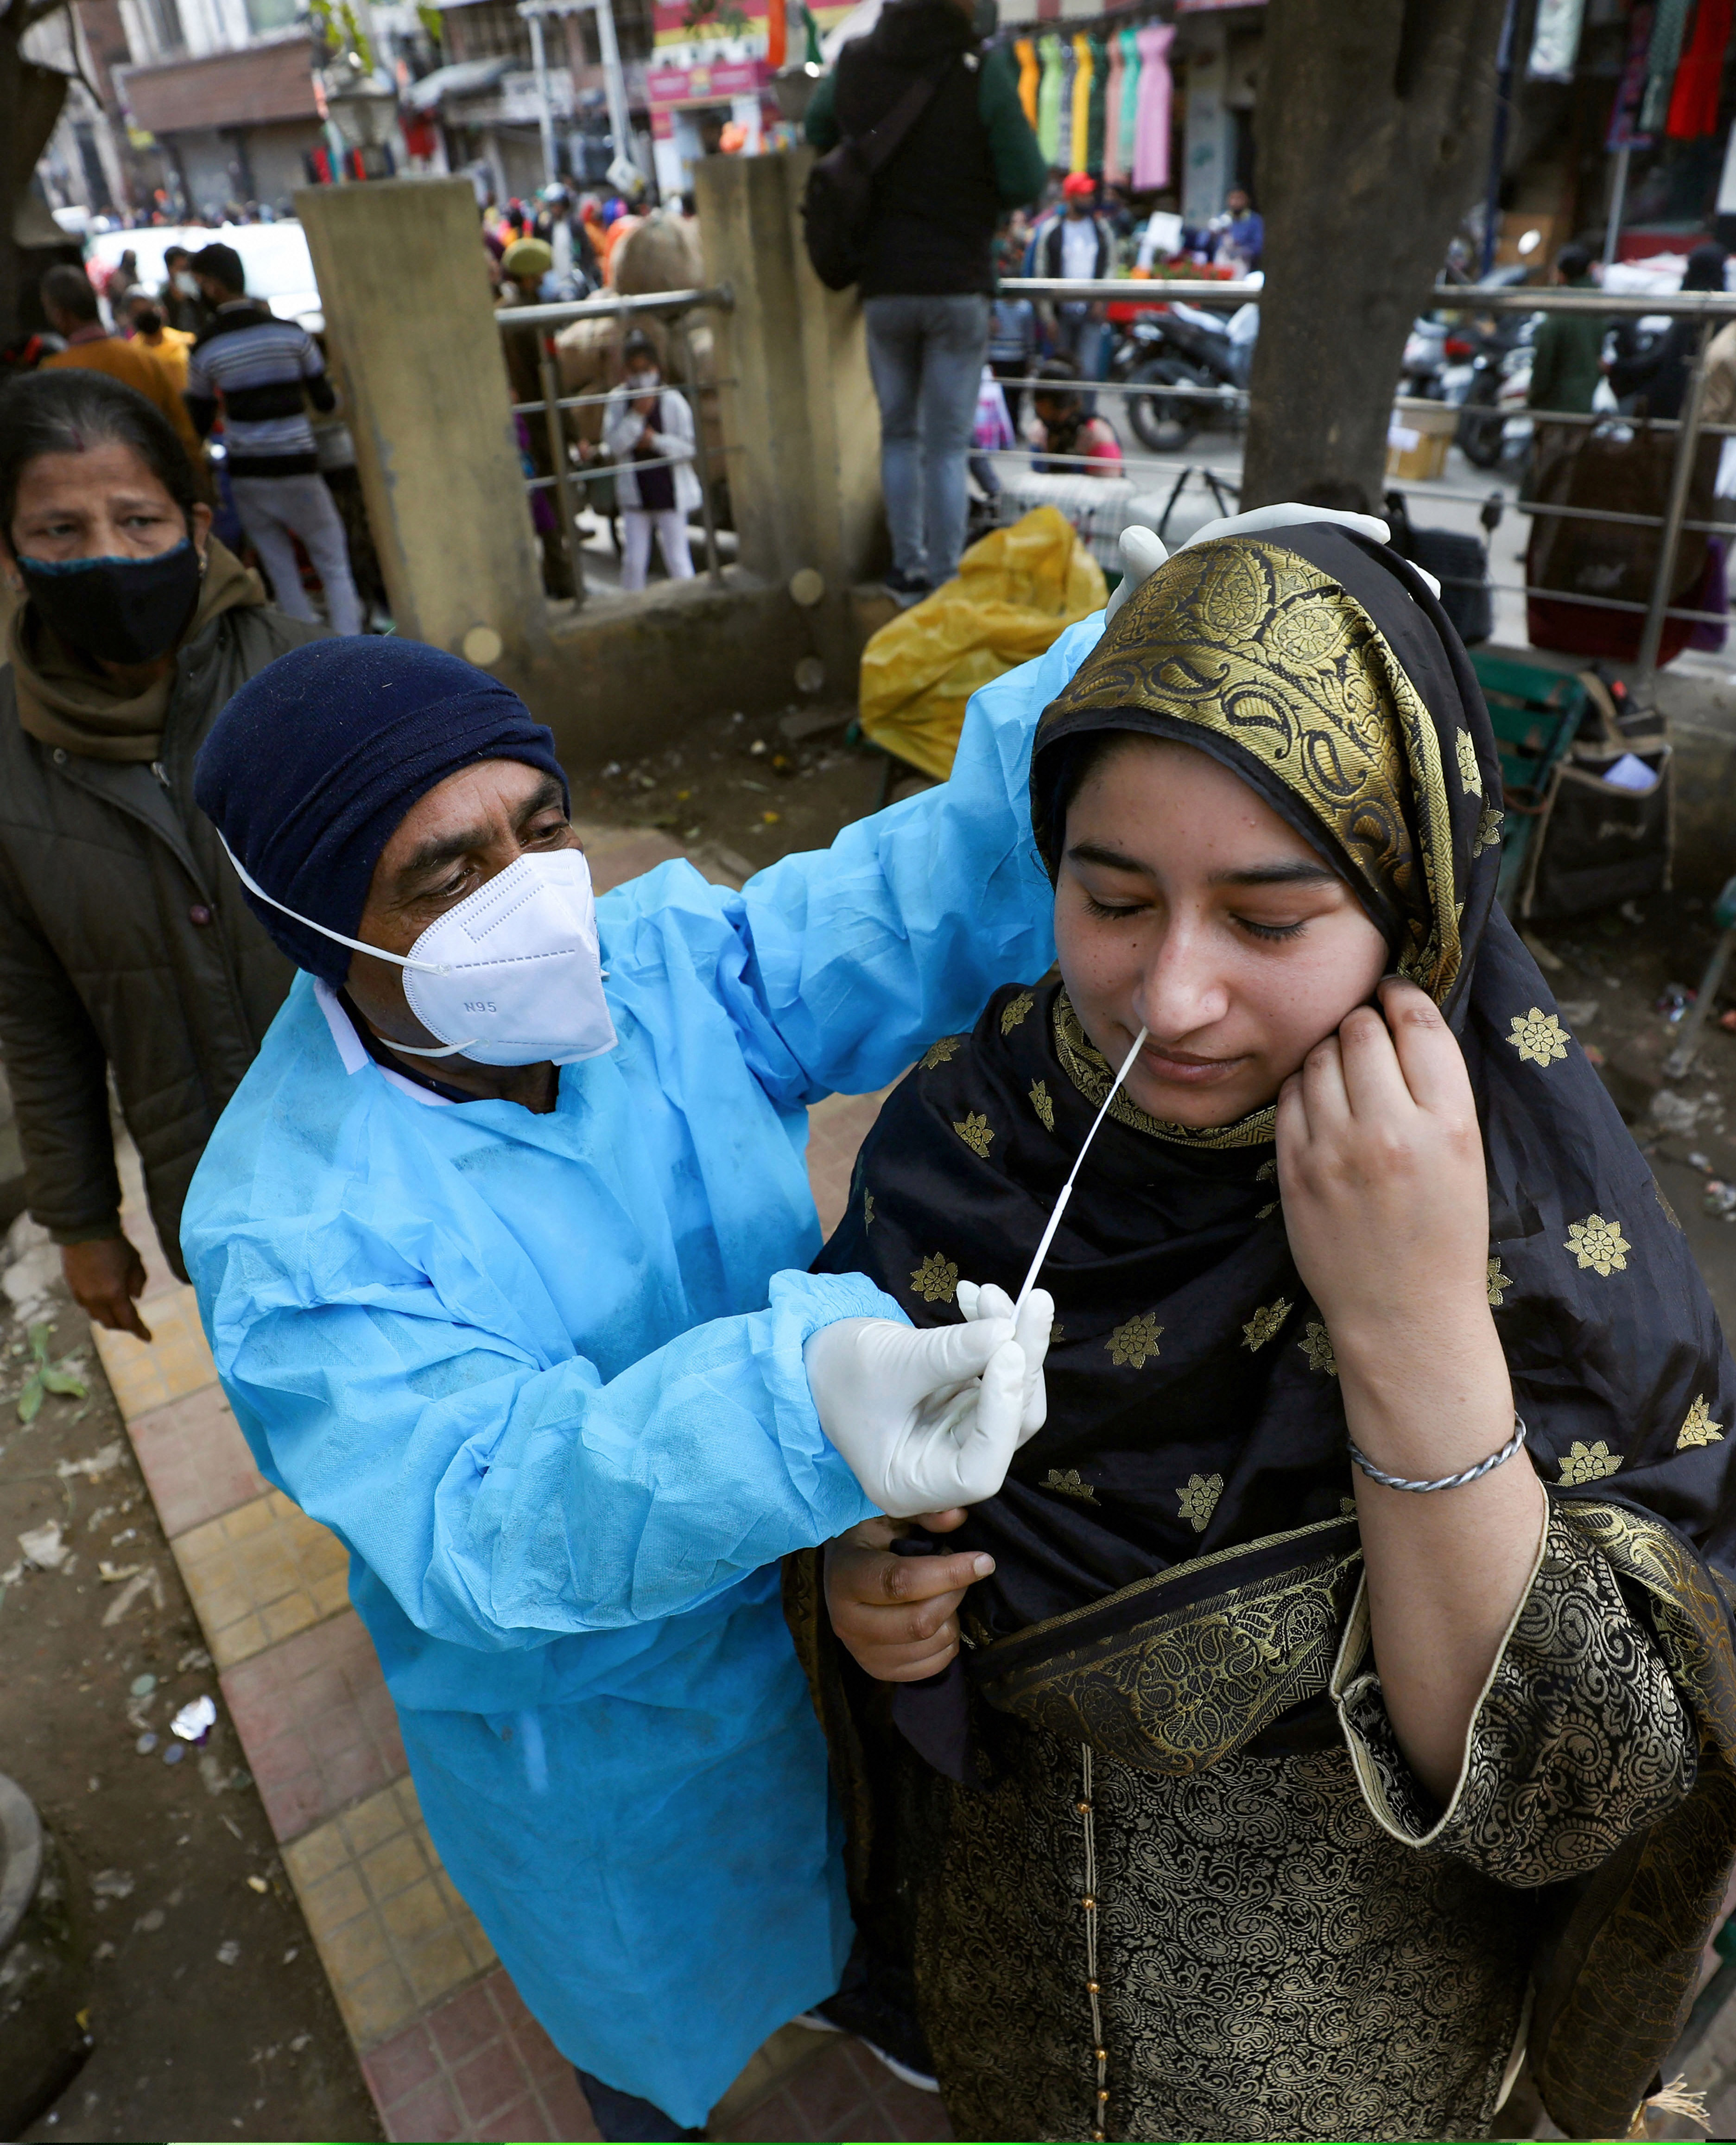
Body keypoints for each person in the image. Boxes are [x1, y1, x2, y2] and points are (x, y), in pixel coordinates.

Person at [801, 515, 1736, 2142]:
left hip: (1350, 2074)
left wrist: (1409, 1321)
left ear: (1418, 904)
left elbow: (1563, 1802)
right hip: (1002, 2007)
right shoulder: (969, 1139)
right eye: (1111, 898)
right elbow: (842, 1490)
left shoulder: (1542, 1242)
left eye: (1269, 917)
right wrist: (859, 1585)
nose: (1168, 997)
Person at [179, 620, 1116, 2138]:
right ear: (315, 927)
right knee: (649, 2010)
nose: (533, 894)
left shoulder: (661, 962)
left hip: (806, 1610)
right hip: (599, 1732)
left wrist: (1112, 659)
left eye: (541, 828)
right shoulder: (290, 1226)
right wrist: (799, 1405)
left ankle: (846, 1984)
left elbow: (914, 892)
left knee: (841, 1856)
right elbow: (482, 1516)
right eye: (442, 870)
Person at [0, 370, 324, 1339]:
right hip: (219, 1197)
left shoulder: (317, 685)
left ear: (195, 524)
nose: (106, 556)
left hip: (415, 1160)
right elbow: (37, 1017)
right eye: (60, 531)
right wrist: (83, 1220)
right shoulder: (8, 767)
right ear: (11, 551)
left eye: (138, 521)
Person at [805, 0, 1046, 607]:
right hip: (956, 284)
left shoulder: (858, 60)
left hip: (883, 287)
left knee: (898, 435)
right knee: (944, 442)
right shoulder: (980, 69)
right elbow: (1024, 178)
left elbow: (814, 127)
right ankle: (942, 580)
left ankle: (904, 571)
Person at [183, 242, 363, 637]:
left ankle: (309, 651)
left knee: (281, 571)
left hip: (248, 477)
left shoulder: (205, 348)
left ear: (213, 286)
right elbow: (326, 402)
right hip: (299, 469)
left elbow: (196, 420)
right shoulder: (292, 336)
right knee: (333, 563)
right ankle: (352, 645)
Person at [37, 264, 203, 472]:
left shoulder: (52, 374)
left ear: (60, 314)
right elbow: (183, 432)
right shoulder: (144, 359)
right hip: (158, 480)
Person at [602, 330, 700, 592]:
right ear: (626, 372)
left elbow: (689, 448)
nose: (642, 375)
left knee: (678, 560)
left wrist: (655, 441)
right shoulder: (618, 401)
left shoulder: (673, 401)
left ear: (657, 368)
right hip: (636, 496)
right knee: (634, 562)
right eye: (635, 370)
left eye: (646, 369)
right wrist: (636, 417)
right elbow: (613, 445)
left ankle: (691, 605)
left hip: (670, 494)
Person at [1609, 237, 1727, 420]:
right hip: (1707, 415)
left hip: (1670, 413)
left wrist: (1617, 367)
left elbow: (1659, 359)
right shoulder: (1722, 315)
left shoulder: (1688, 314)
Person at [1039, 172, 1115, 379]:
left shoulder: (1101, 229)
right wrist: (1048, 318)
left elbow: (1110, 267)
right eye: (1083, 195)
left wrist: (1101, 299)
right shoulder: (1052, 230)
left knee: (1088, 371)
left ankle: (1086, 411)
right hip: (1061, 312)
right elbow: (1042, 273)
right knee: (1061, 370)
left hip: (1091, 312)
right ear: (1071, 197)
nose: (1089, 199)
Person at [1527, 243, 1605, 417]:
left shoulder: (1562, 308)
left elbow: (1544, 363)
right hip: (1589, 401)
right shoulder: (1601, 305)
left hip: (1558, 404)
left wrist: (1534, 399)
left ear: (1562, 275)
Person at [1027, 356, 1122, 474]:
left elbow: (1111, 486)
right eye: (1040, 408)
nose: (1048, 419)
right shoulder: (1039, 432)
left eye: (1056, 414)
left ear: (1072, 406)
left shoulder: (1097, 436)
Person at [122, 290, 196, 397]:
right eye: (138, 312)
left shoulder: (187, 341)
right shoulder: (132, 354)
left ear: (162, 311)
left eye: (148, 308)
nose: (144, 314)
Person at [157, 243, 212, 336]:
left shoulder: (199, 295)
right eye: (182, 269)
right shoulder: (162, 298)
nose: (186, 274)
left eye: (187, 269)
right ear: (170, 269)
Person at [1212, 181, 1263, 269]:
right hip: (1221, 263)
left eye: (1240, 199)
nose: (1236, 202)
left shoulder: (1254, 220)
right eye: (1233, 198)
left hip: (1243, 264)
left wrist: (1240, 250)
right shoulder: (1221, 218)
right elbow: (1203, 242)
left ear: (1247, 200)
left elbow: (1258, 246)